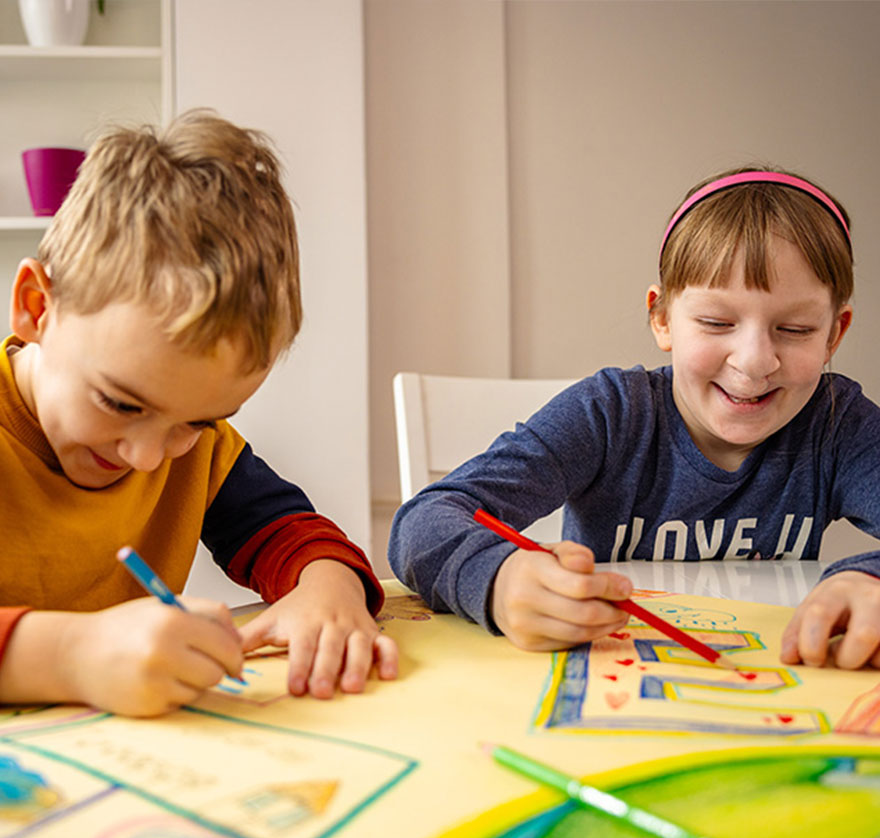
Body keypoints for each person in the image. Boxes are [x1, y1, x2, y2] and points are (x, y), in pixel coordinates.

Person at [388, 166, 880, 671]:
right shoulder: (608, 415)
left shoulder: (838, 425)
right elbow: (422, 524)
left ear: (833, 335)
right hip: (608, 671)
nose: (754, 361)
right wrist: (500, 580)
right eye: (716, 322)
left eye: (795, 329)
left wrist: (866, 579)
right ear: (662, 317)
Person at [0, 109, 397, 716]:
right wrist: (70, 655)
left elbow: (286, 529)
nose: (150, 455)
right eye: (120, 402)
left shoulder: (197, 450)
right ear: (37, 308)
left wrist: (328, 587)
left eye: (196, 422)